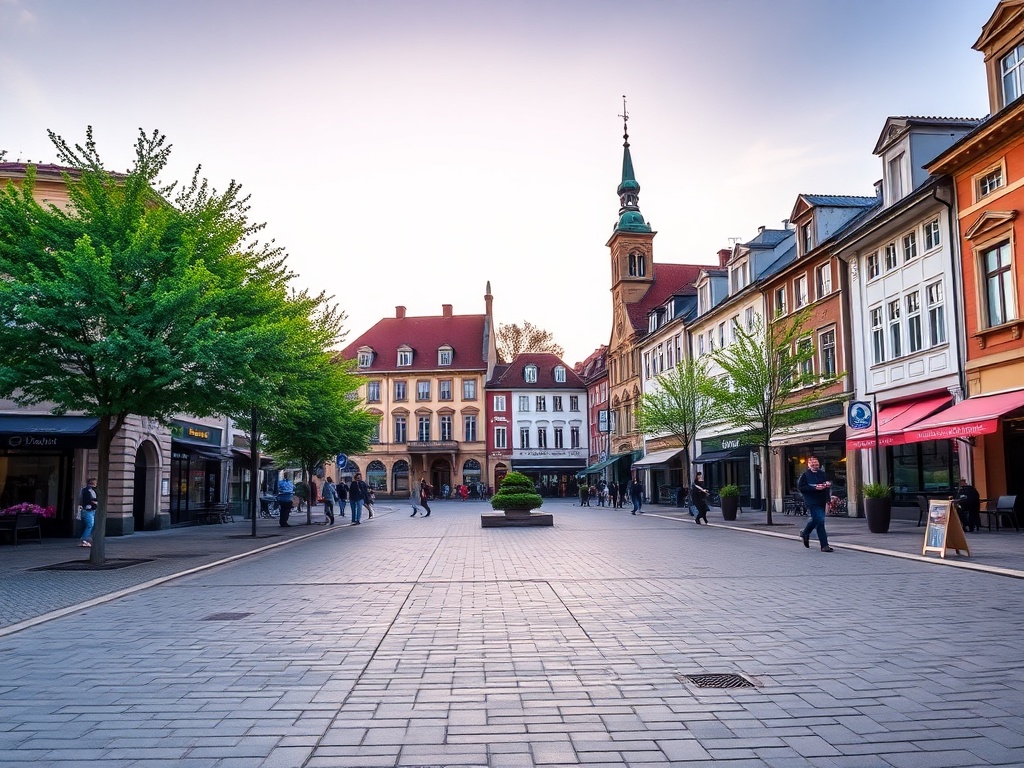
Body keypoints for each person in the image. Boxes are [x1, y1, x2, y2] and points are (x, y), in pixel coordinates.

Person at [798, 455, 834, 552]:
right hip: (811, 501)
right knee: (820, 520)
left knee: (819, 521)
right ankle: (823, 545)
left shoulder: (823, 474)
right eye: (812, 463)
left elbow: (827, 487)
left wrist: (828, 499)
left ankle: (806, 533)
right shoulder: (805, 475)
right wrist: (814, 488)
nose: (815, 464)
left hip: (821, 500)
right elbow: (801, 487)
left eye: (816, 462)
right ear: (809, 465)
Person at [79, 477, 98, 547]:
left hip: (91, 510)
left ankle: (87, 539)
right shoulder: (87, 491)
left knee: (90, 525)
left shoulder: (91, 490)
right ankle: (84, 540)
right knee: (90, 525)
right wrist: (95, 503)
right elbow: (87, 500)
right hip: (88, 510)